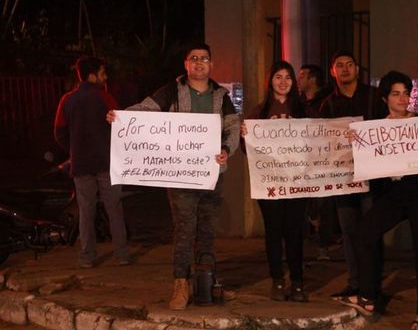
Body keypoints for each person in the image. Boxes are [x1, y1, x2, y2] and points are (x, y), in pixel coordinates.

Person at [107, 44, 240, 310]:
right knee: (184, 229)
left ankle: (207, 283)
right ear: (186, 64)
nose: (199, 63)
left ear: (211, 65)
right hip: (180, 177)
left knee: (207, 231)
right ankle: (181, 283)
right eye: (194, 58)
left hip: (212, 173)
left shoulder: (220, 95)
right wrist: (121, 116)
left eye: (204, 59)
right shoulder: (172, 91)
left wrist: (227, 149)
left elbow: (232, 125)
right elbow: (146, 109)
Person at [337, 70, 418, 329]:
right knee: (363, 233)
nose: (402, 99)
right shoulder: (377, 127)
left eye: (406, 93)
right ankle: (367, 296)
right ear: (385, 97)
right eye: (396, 94)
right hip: (395, 194)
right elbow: (368, 162)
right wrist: (358, 144)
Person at [319, 50, 387, 298]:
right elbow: (322, 140)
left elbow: (387, 127)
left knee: (372, 228)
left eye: (350, 64)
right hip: (344, 178)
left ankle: (374, 282)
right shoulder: (328, 105)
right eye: (340, 65)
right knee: (349, 231)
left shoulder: (374, 97)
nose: (345, 69)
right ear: (333, 71)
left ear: (357, 69)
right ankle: (356, 281)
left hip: (372, 176)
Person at [241, 61, 310, 302]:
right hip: (269, 183)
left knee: (294, 231)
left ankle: (298, 281)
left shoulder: (304, 110)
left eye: (288, 77)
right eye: (278, 77)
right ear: (270, 80)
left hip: (297, 182)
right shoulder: (259, 112)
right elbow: (246, 149)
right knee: (274, 231)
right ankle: (277, 280)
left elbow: (320, 140)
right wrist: (244, 137)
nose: (283, 82)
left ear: (294, 82)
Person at [54, 56, 130, 268]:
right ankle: (122, 255)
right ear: (92, 76)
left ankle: (87, 256)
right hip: (107, 163)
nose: (106, 77)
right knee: (114, 208)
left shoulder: (67, 100)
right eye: (103, 73)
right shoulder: (106, 98)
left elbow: (59, 132)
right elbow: (121, 129)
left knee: (85, 210)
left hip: (81, 164)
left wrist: (74, 150)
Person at [297, 64, 336, 260]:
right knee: (304, 203)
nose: (298, 79)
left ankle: (323, 245)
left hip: (323, 160)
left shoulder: (327, 102)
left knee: (325, 203)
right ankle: (302, 245)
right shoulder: (298, 103)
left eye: (302, 75)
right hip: (303, 160)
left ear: (312, 79)